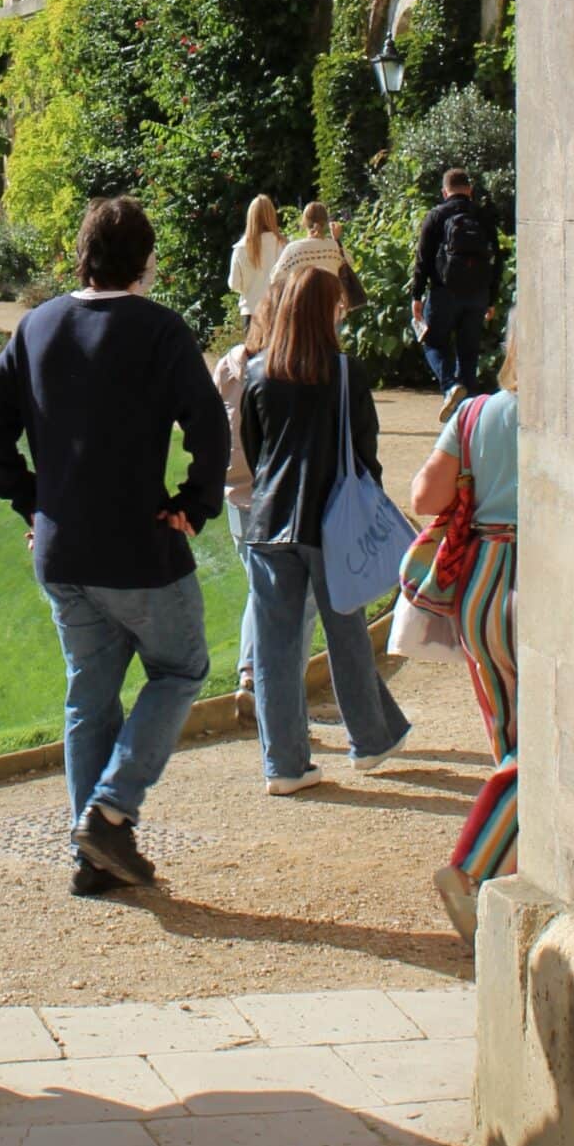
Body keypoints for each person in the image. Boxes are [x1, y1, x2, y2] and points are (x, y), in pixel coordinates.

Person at [0, 195, 230, 893]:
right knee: (180, 670)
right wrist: (195, 504)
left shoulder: (38, 325)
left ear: (80, 252)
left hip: (61, 551)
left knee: (90, 698)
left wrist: (31, 498)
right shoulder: (160, 331)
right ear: (144, 259)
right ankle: (109, 814)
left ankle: (90, 858)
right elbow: (210, 426)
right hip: (136, 547)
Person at [240, 263, 412, 791]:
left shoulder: (258, 372)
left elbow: (254, 449)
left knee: (275, 649)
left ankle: (285, 764)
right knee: (347, 634)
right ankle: (370, 739)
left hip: (270, 522)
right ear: (326, 312)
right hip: (331, 521)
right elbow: (365, 451)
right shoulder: (345, 372)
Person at [409, 308, 520, 944]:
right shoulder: (568, 415)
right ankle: (474, 868)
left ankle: (506, 869)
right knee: (544, 750)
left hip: (479, 582)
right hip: (540, 578)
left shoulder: (476, 412)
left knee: (511, 740)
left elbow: (426, 497)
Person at [213, 274, 314, 726]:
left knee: (261, 590)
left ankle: (254, 678)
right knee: (293, 599)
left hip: (237, 491)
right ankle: (274, 690)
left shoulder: (229, 366)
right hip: (274, 497)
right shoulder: (285, 372)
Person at [411, 168, 502, 421]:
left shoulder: (436, 216)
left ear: (444, 192)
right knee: (469, 353)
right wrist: (491, 298)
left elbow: (423, 259)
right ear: (469, 190)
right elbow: (497, 259)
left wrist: (416, 296)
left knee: (432, 342)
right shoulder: (483, 216)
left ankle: (450, 386)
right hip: (478, 295)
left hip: (444, 293)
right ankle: (469, 423)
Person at [271, 201, 366, 313]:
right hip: (332, 309)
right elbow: (349, 265)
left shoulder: (293, 249)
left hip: (302, 311)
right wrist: (336, 239)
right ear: (326, 222)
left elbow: (276, 277)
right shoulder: (334, 248)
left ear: (304, 222)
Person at [227, 193, 285, 321]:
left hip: (251, 311)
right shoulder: (284, 245)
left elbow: (234, 284)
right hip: (278, 309)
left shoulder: (241, 248)